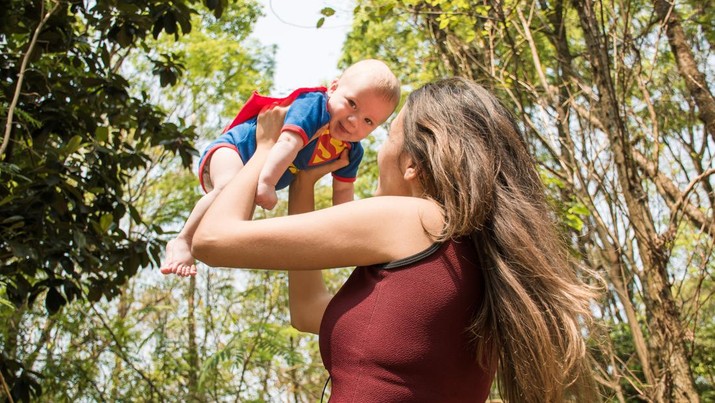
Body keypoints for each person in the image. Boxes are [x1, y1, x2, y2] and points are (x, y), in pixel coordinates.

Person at [189, 77, 599, 402]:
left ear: (413, 164)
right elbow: (308, 311)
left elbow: (212, 240)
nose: (374, 147)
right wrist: (304, 182)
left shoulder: (417, 218)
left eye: (386, 137)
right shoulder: (471, 258)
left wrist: (264, 149)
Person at [161, 59, 401, 276]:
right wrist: (267, 182)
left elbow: (343, 193)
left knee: (235, 222)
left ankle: (200, 242)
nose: (353, 121)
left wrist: (350, 232)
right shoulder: (314, 107)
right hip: (236, 149)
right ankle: (183, 239)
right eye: (352, 104)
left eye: (368, 121)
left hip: (257, 171)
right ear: (334, 88)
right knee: (227, 187)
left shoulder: (350, 151)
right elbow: (287, 142)